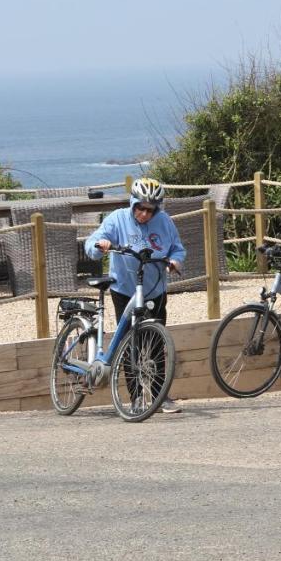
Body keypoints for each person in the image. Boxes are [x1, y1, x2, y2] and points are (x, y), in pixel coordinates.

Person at [84, 177, 187, 413]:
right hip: (125, 290)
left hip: (155, 289)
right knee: (130, 344)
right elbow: (92, 243)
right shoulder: (117, 218)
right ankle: (137, 398)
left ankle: (161, 397)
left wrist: (175, 261)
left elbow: (177, 248)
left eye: (149, 210)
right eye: (139, 208)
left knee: (156, 342)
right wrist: (100, 245)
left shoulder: (165, 222)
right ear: (132, 204)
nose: (143, 214)